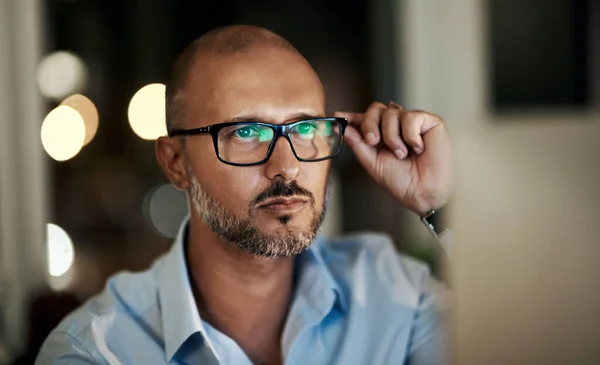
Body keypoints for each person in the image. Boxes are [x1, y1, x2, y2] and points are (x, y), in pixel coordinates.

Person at [36, 25, 452, 365]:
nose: (286, 166)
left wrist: (439, 205)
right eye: (246, 133)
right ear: (175, 162)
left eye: (305, 129)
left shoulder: (396, 296)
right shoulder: (95, 352)